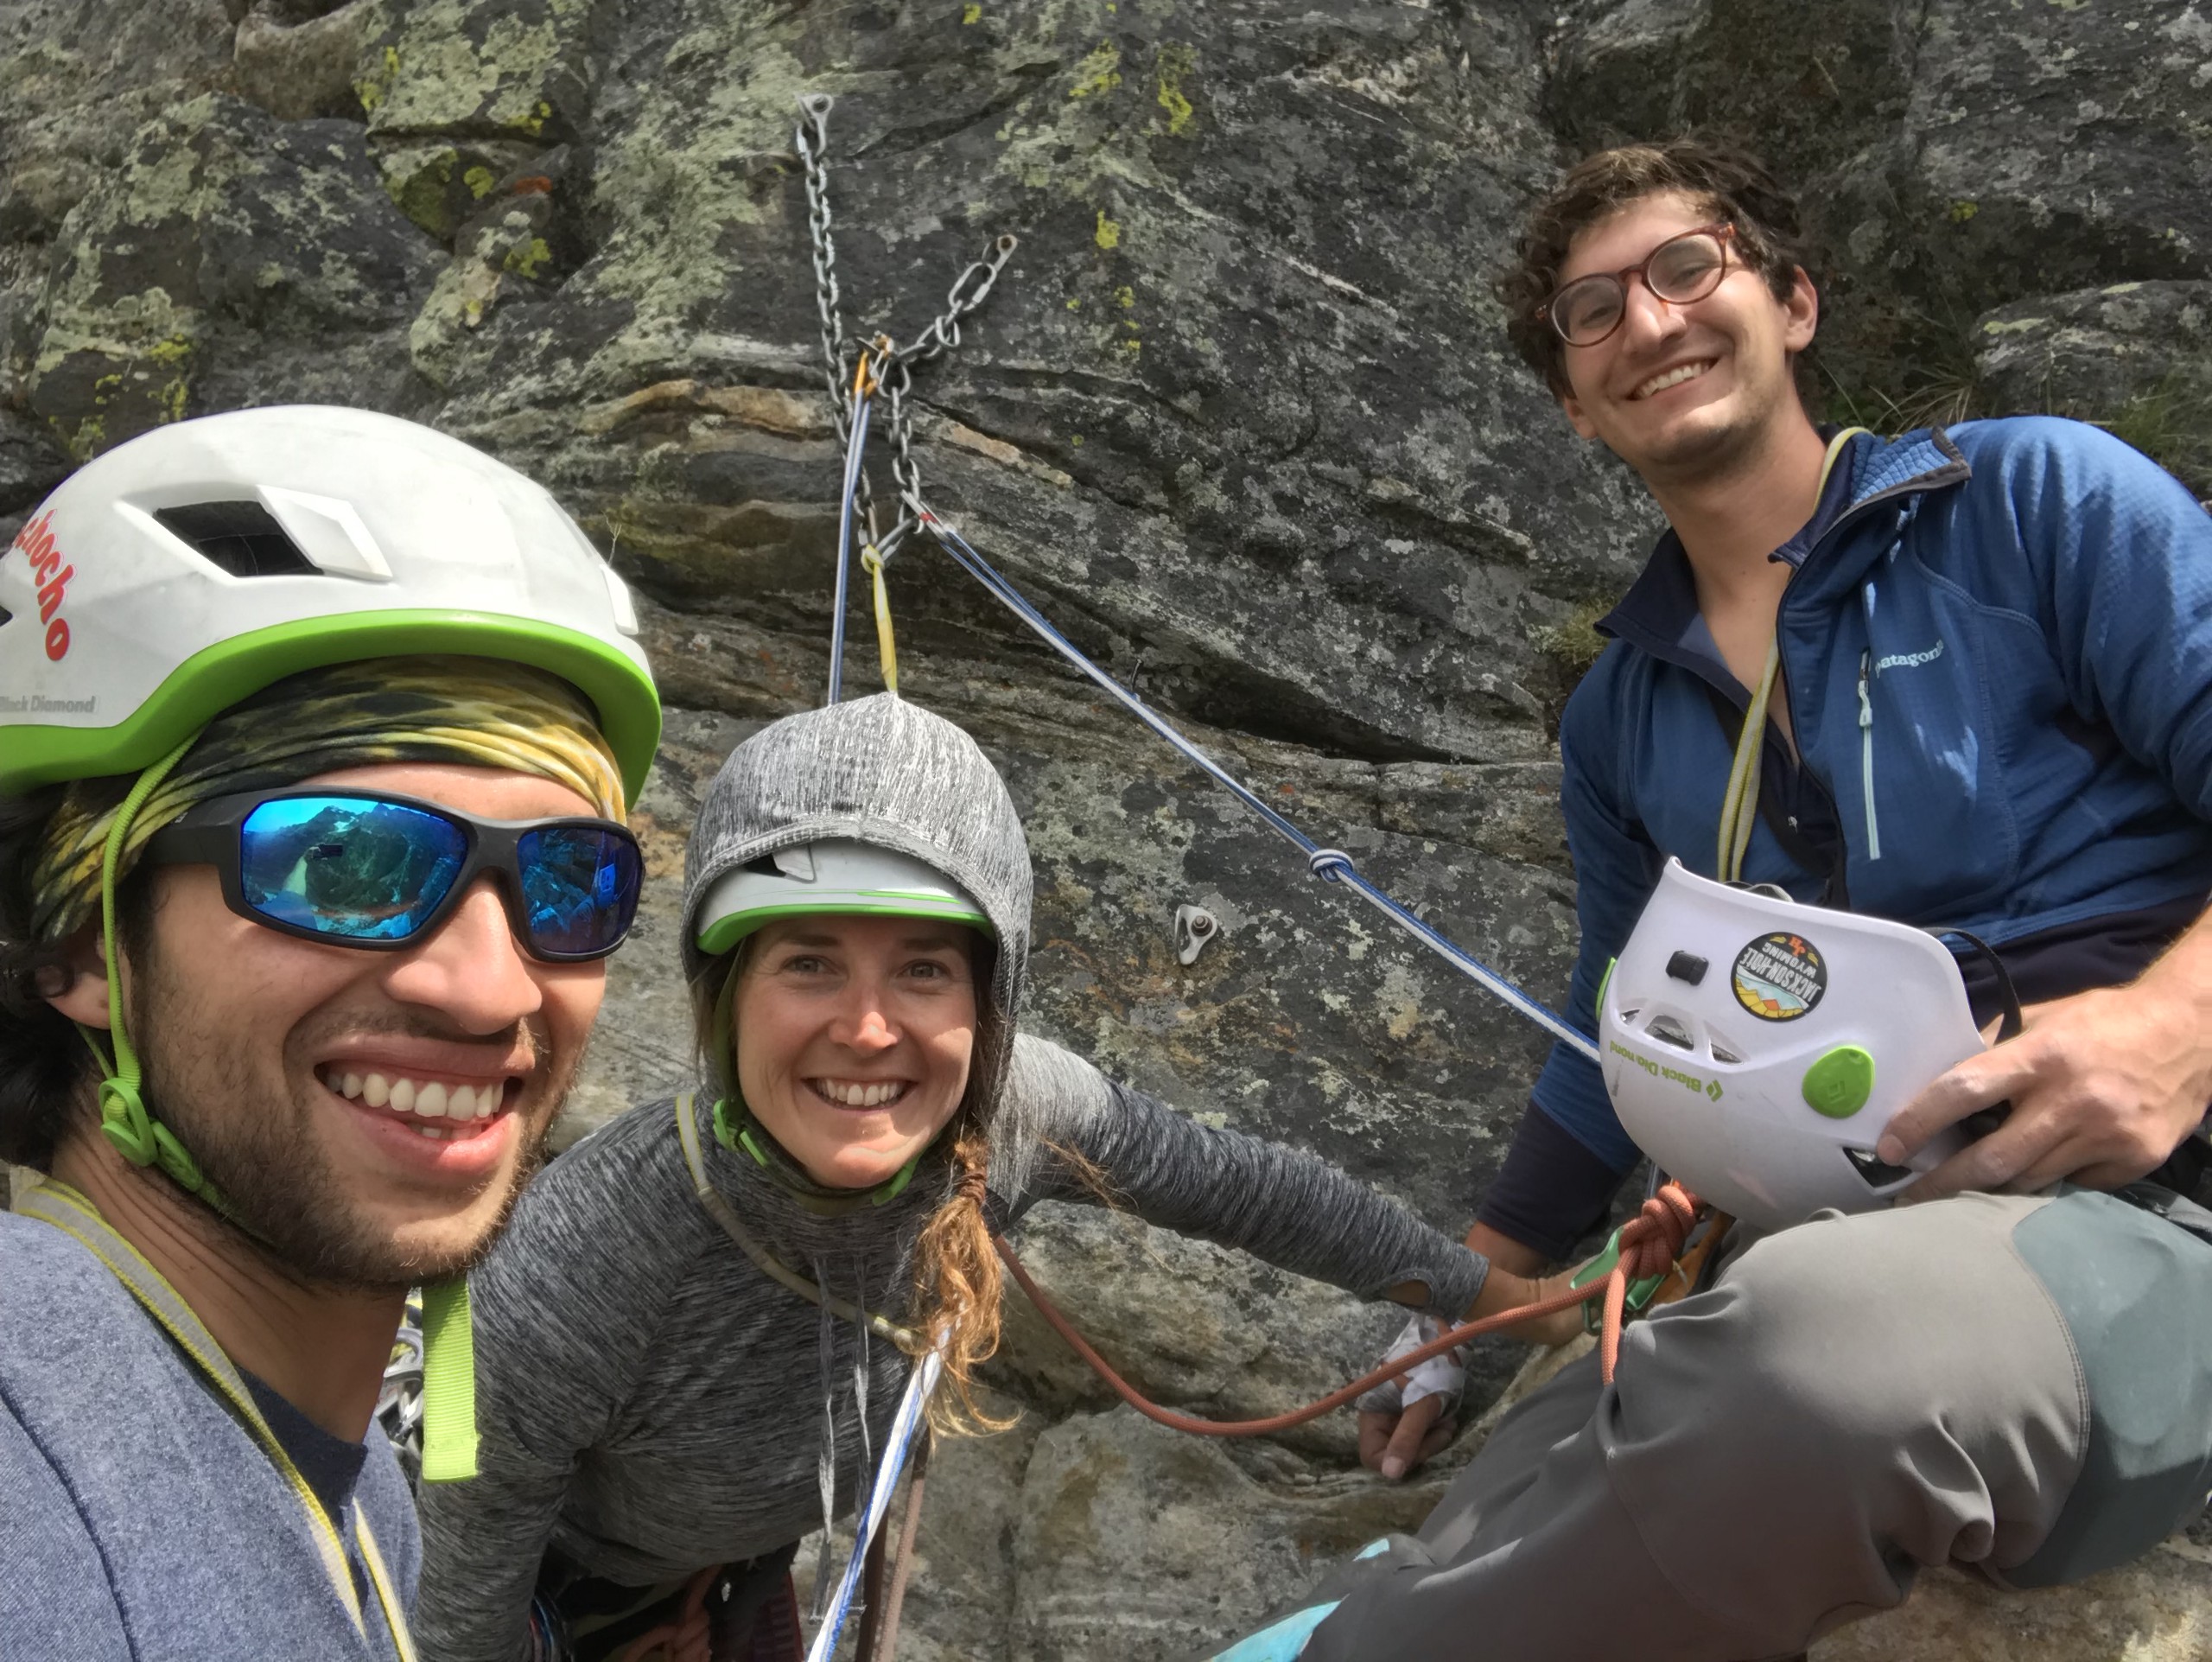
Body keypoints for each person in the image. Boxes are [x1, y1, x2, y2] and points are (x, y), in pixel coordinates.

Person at [1231, 140, 2212, 1659]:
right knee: (1513, 1488)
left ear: (1793, 300)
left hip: (2144, 1218)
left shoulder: (2030, 505)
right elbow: (1613, 1024)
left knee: (1819, 1364)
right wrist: (1461, 1304)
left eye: (1689, 267)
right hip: (1820, 1233)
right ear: (1576, 402)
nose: (1649, 319)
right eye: (1592, 311)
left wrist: (2174, 1027)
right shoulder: (1620, 719)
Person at [409, 691, 1560, 1662]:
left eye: (923, 969)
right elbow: (456, 1583)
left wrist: (1509, 1306)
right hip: (564, 1600)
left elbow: (1254, 1194)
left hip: (726, 1575)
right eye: (809, 962)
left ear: (986, 1008)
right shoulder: (581, 1257)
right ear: (726, 1001)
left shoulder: (1012, 1113)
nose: (868, 1029)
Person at [0, 405, 663, 1660]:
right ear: (77, 940)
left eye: (571, 878)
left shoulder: (352, 1497)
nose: (492, 990)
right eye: (344, 861)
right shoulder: (34, 1471)